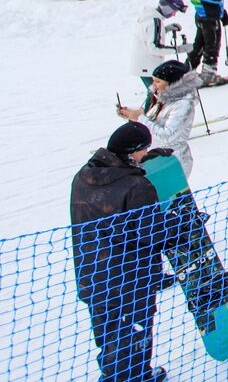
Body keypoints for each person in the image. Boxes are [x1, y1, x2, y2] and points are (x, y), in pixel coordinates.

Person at [71, 121, 194, 382]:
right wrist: (179, 222)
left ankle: (112, 375)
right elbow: (152, 234)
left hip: (93, 275)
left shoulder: (84, 177)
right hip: (130, 278)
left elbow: (113, 203)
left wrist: (143, 161)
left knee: (109, 334)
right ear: (131, 152)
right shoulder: (137, 188)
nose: (144, 154)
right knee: (134, 334)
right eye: (143, 149)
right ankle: (138, 377)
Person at [118, 59, 199, 177]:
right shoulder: (163, 98)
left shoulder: (183, 105)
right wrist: (131, 114)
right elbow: (154, 120)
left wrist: (140, 118)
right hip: (158, 158)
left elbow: (168, 137)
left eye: (158, 81)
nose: (153, 85)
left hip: (174, 161)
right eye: (153, 81)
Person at [184, 0, 228, 86]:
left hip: (208, 16)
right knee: (212, 45)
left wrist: (222, 14)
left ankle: (186, 72)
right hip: (207, 19)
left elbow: (215, 3)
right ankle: (208, 73)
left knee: (200, 45)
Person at [130, 0, 189, 92]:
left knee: (155, 93)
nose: (174, 14)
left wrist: (165, 29)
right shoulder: (155, 22)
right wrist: (178, 49)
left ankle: (150, 108)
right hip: (147, 65)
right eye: (174, 11)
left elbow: (148, 34)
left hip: (142, 63)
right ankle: (150, 108)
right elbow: (154, 48)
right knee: (156, 94)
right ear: (167, 8)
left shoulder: (147, 16)